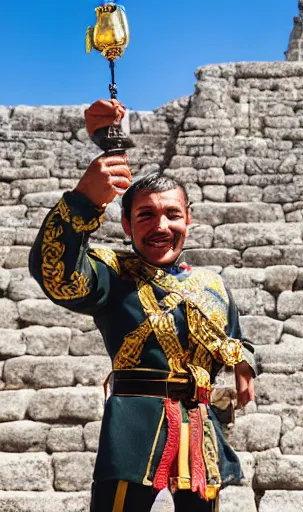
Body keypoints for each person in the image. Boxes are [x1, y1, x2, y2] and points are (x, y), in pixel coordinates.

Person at [29, 99, 257, 511]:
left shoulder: (214, 286)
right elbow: (59, 276)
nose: (160, 226)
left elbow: (234, 338)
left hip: (200, 431)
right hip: (134, 428)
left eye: (172, 214)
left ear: (189, 219)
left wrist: (244, 365)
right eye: (146, 215)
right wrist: (84, 200)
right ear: (127, 224)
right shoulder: (113, 273)